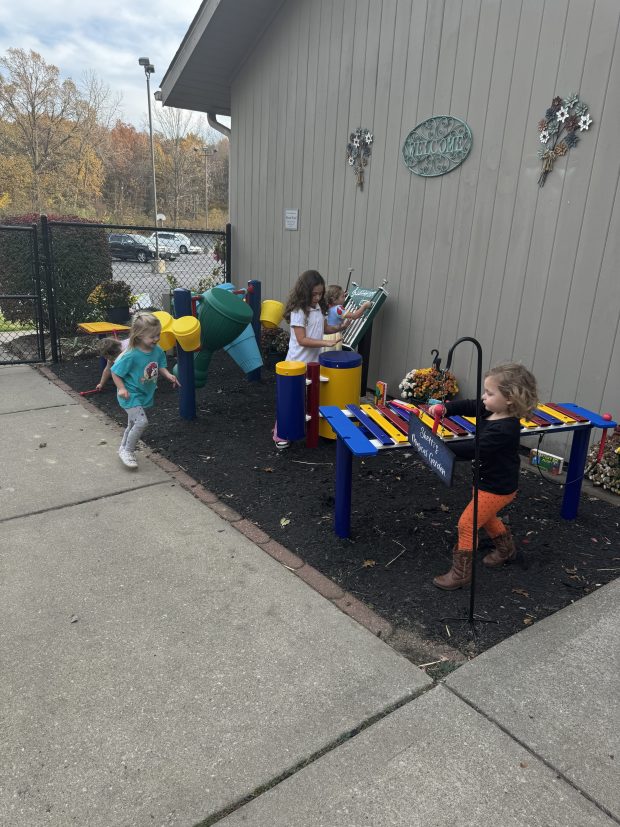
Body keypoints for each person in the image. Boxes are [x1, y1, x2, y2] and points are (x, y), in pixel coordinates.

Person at [428, 362, 538, 590]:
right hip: (485, 480)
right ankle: (506, 550)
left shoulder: (505, 429)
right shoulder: (491, 409)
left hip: (498, 487)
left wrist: (440, 448)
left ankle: (461, 573)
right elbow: (471, 405)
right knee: (486, 518)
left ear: (509, 398)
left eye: (489, 393)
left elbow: (475, 448)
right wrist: (447, 409)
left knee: (467, 524)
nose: (483, 397)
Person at [273, 270, 343, 449]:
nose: (318, 297)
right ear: (305, 292)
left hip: (312, 364)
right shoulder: (299, 311)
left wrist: (339, 327)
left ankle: (307, 431)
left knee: (309, 400)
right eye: (314, 294)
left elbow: (324, 328)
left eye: (320, 293)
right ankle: (280, 433)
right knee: (290, 400)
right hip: (295, 364)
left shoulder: (319, 308)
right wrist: (325, 342)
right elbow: (302, 340)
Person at [111, 312, 180, 469]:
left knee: (132, 424)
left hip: (143, 393)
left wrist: (169, 375)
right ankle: (128, 451)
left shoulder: (157, 350)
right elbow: (115, 371)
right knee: (142, 422)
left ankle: (122, 448)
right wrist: (121, 388)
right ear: (140, 336)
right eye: (153, 336)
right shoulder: (131, 355)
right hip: (129, 395)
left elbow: (160, 365)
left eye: (158, 335)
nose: (156, 339)